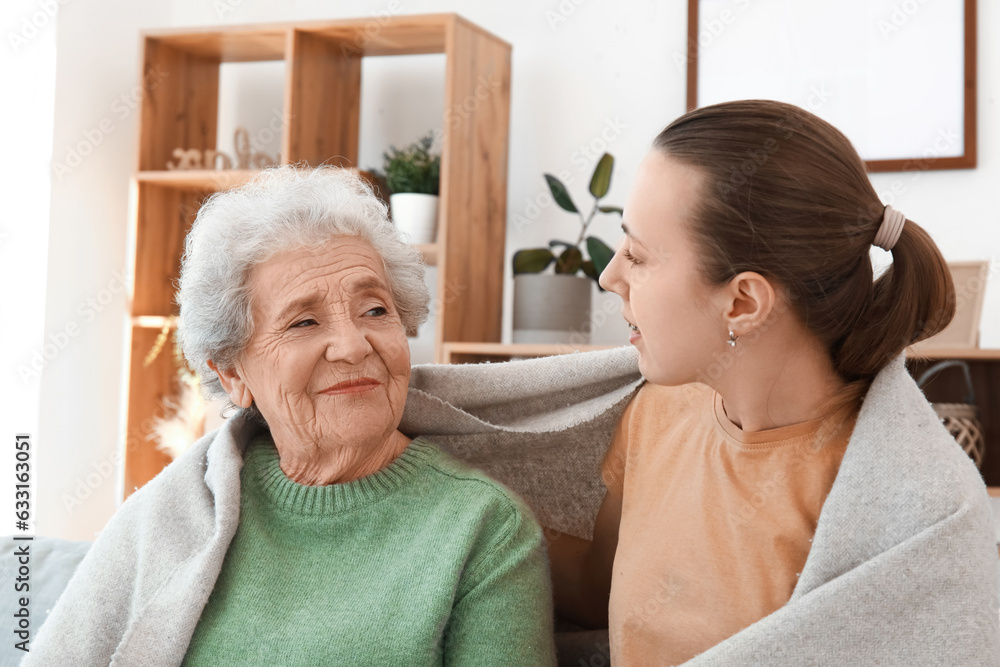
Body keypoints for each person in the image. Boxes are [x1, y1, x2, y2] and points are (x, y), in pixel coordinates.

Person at [26, 167, 557, 666]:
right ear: (233, 374)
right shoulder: (176, 511)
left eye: (375, 310)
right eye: (303, 322)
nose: (352, 346)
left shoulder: (484, 530)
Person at [547, 100, 999, 664]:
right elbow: (597, 590)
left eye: (637, 256)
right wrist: (460, 505)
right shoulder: (659, 412)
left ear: (742, 302)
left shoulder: (893, 502)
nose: (609, 276)